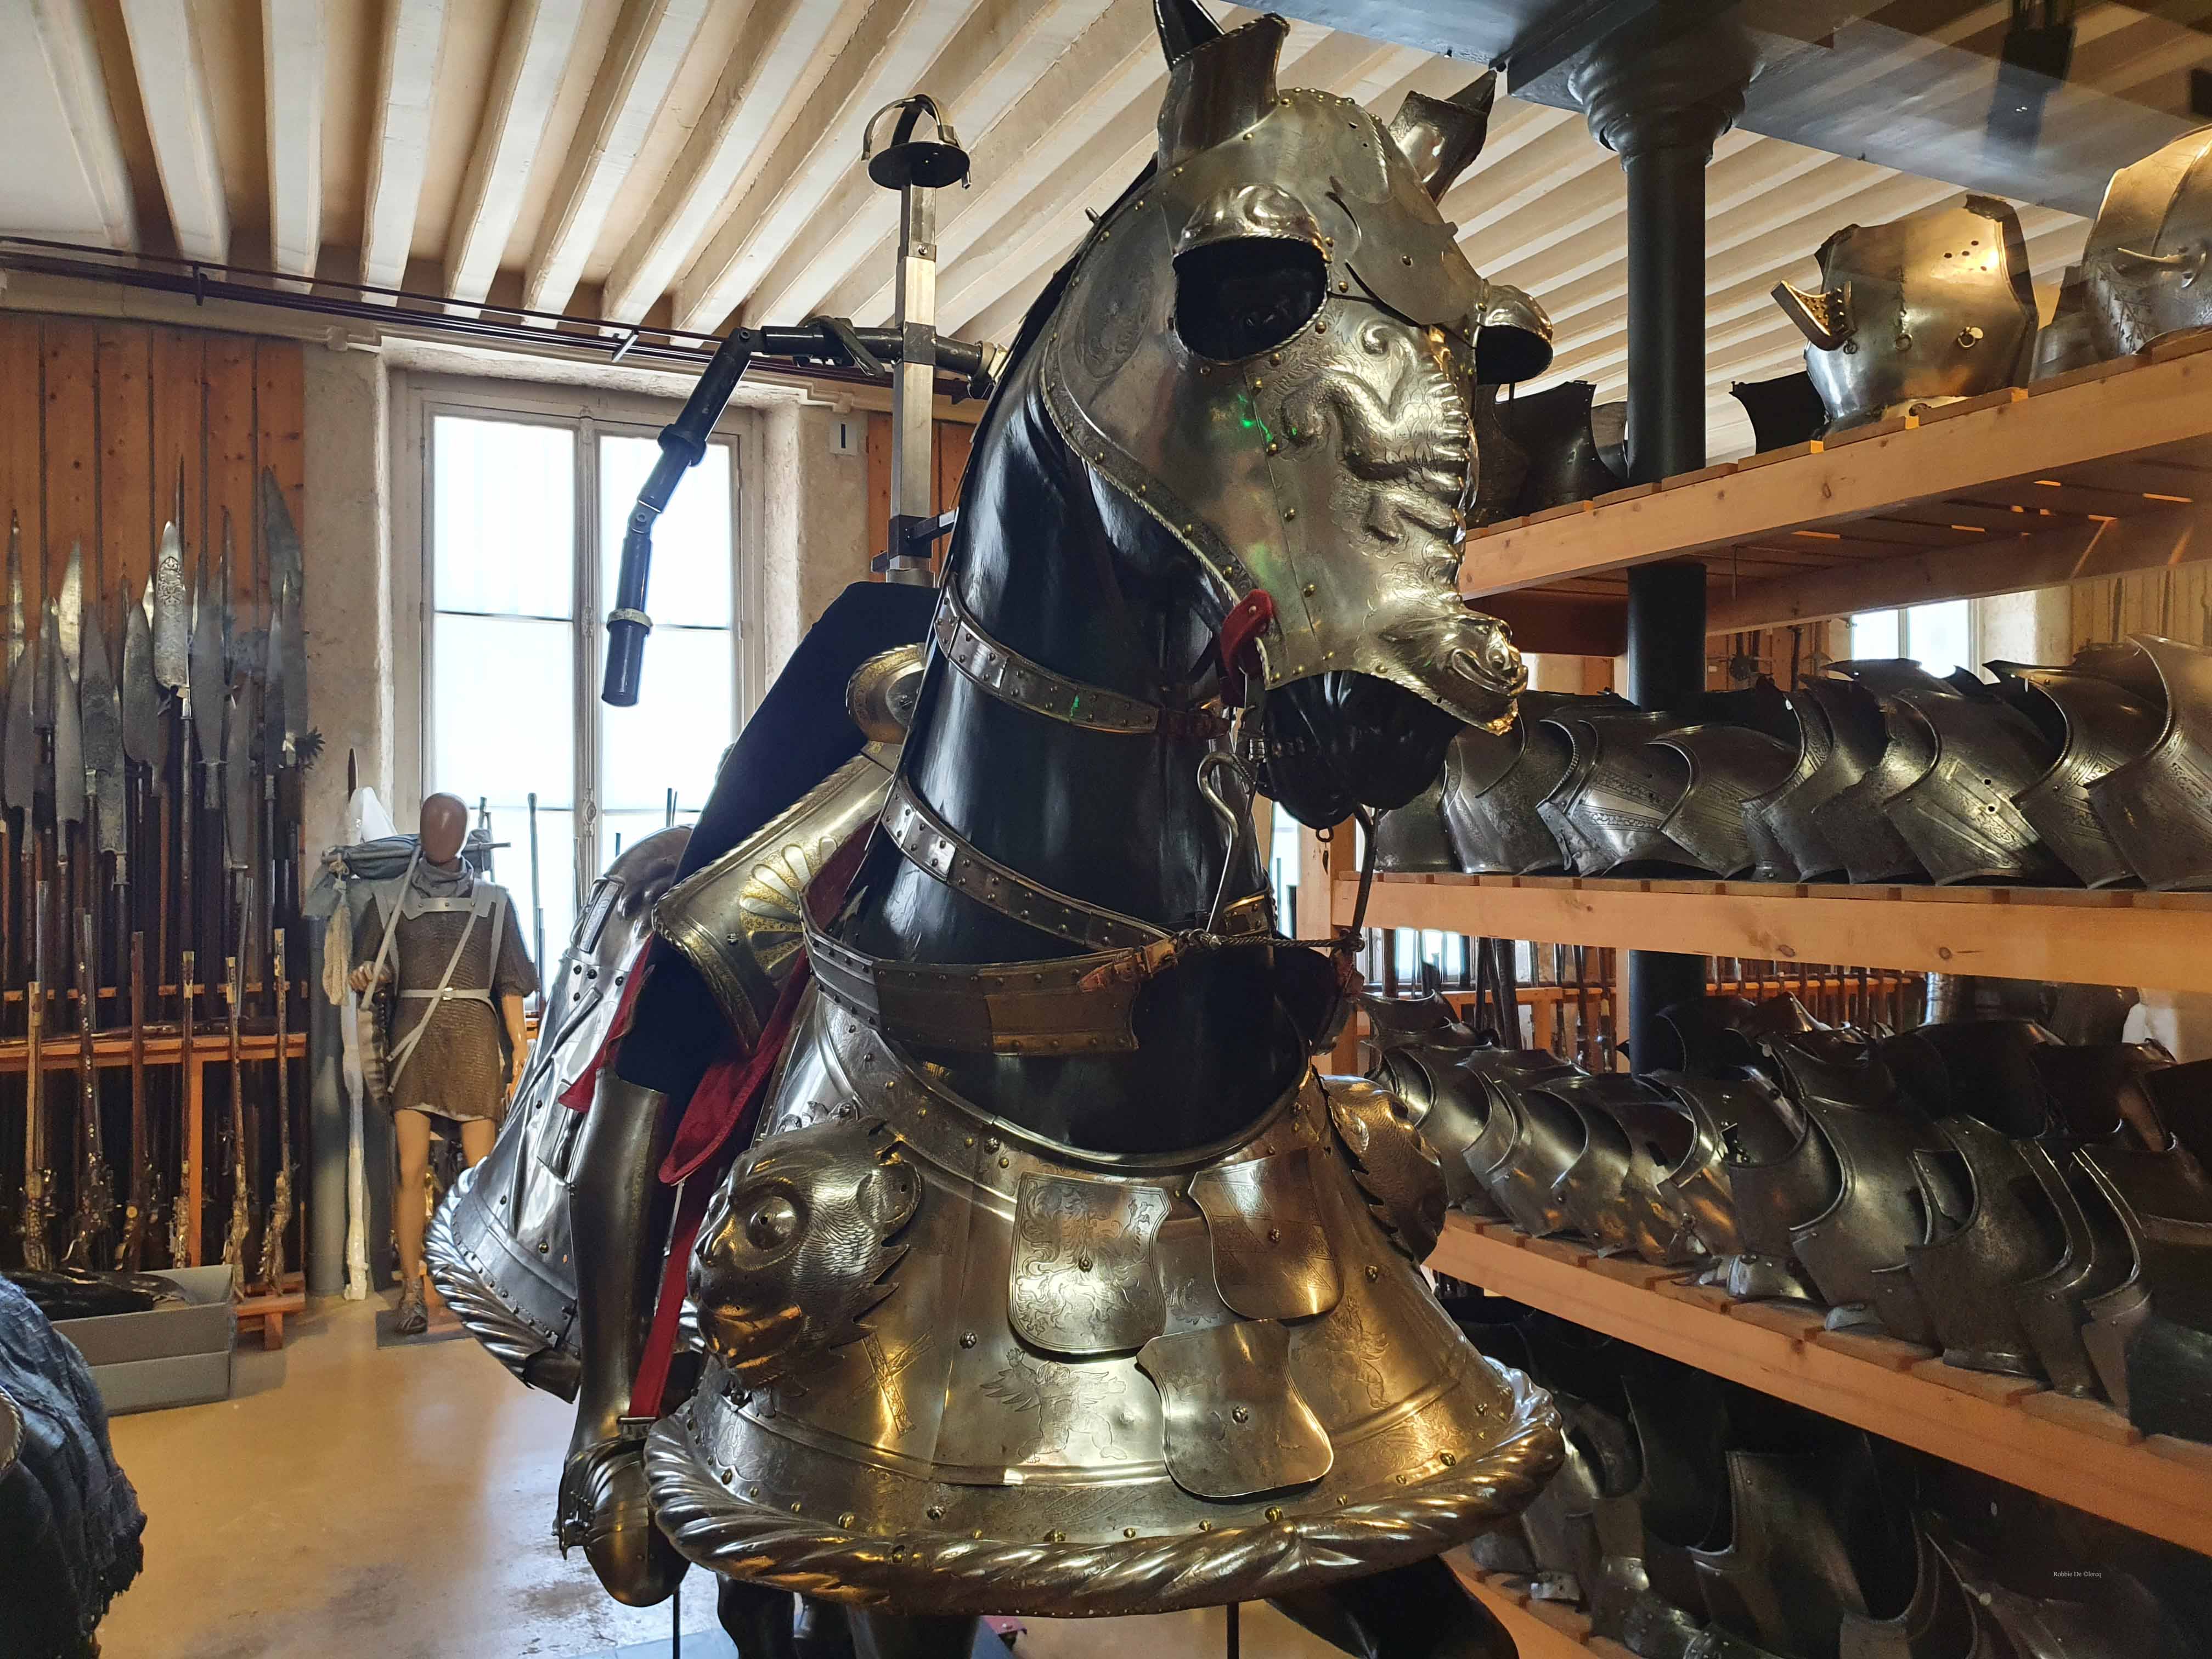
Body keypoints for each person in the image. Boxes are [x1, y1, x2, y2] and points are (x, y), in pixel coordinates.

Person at [351, 793, 538, 1334]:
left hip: (474, 1042)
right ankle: (412, 1290)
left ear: (462, 834)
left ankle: (484, 1285)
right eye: (433, 824)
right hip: (415, 1042)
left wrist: (519, 1047)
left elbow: (509, 981)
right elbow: (372, 971)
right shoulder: (388, 902)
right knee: (410, 1169)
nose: (441, 833)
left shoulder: (495, 903)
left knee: (481, 1174)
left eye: (450, 825)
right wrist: (369, 976)